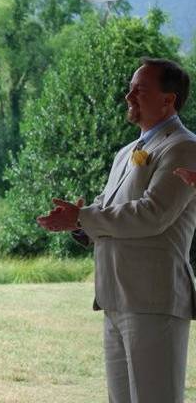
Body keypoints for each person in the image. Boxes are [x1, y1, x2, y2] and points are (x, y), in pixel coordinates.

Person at [37, 58, 196, 402]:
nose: (128, 96)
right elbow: (106, 209)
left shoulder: (184, 146)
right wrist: (77, 224)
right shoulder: (127, 152)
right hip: (114, 296)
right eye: (130, 88)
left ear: (168, 100)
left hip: (154, 298)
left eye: (139, 89)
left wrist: (83, 217)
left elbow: (153, 214)